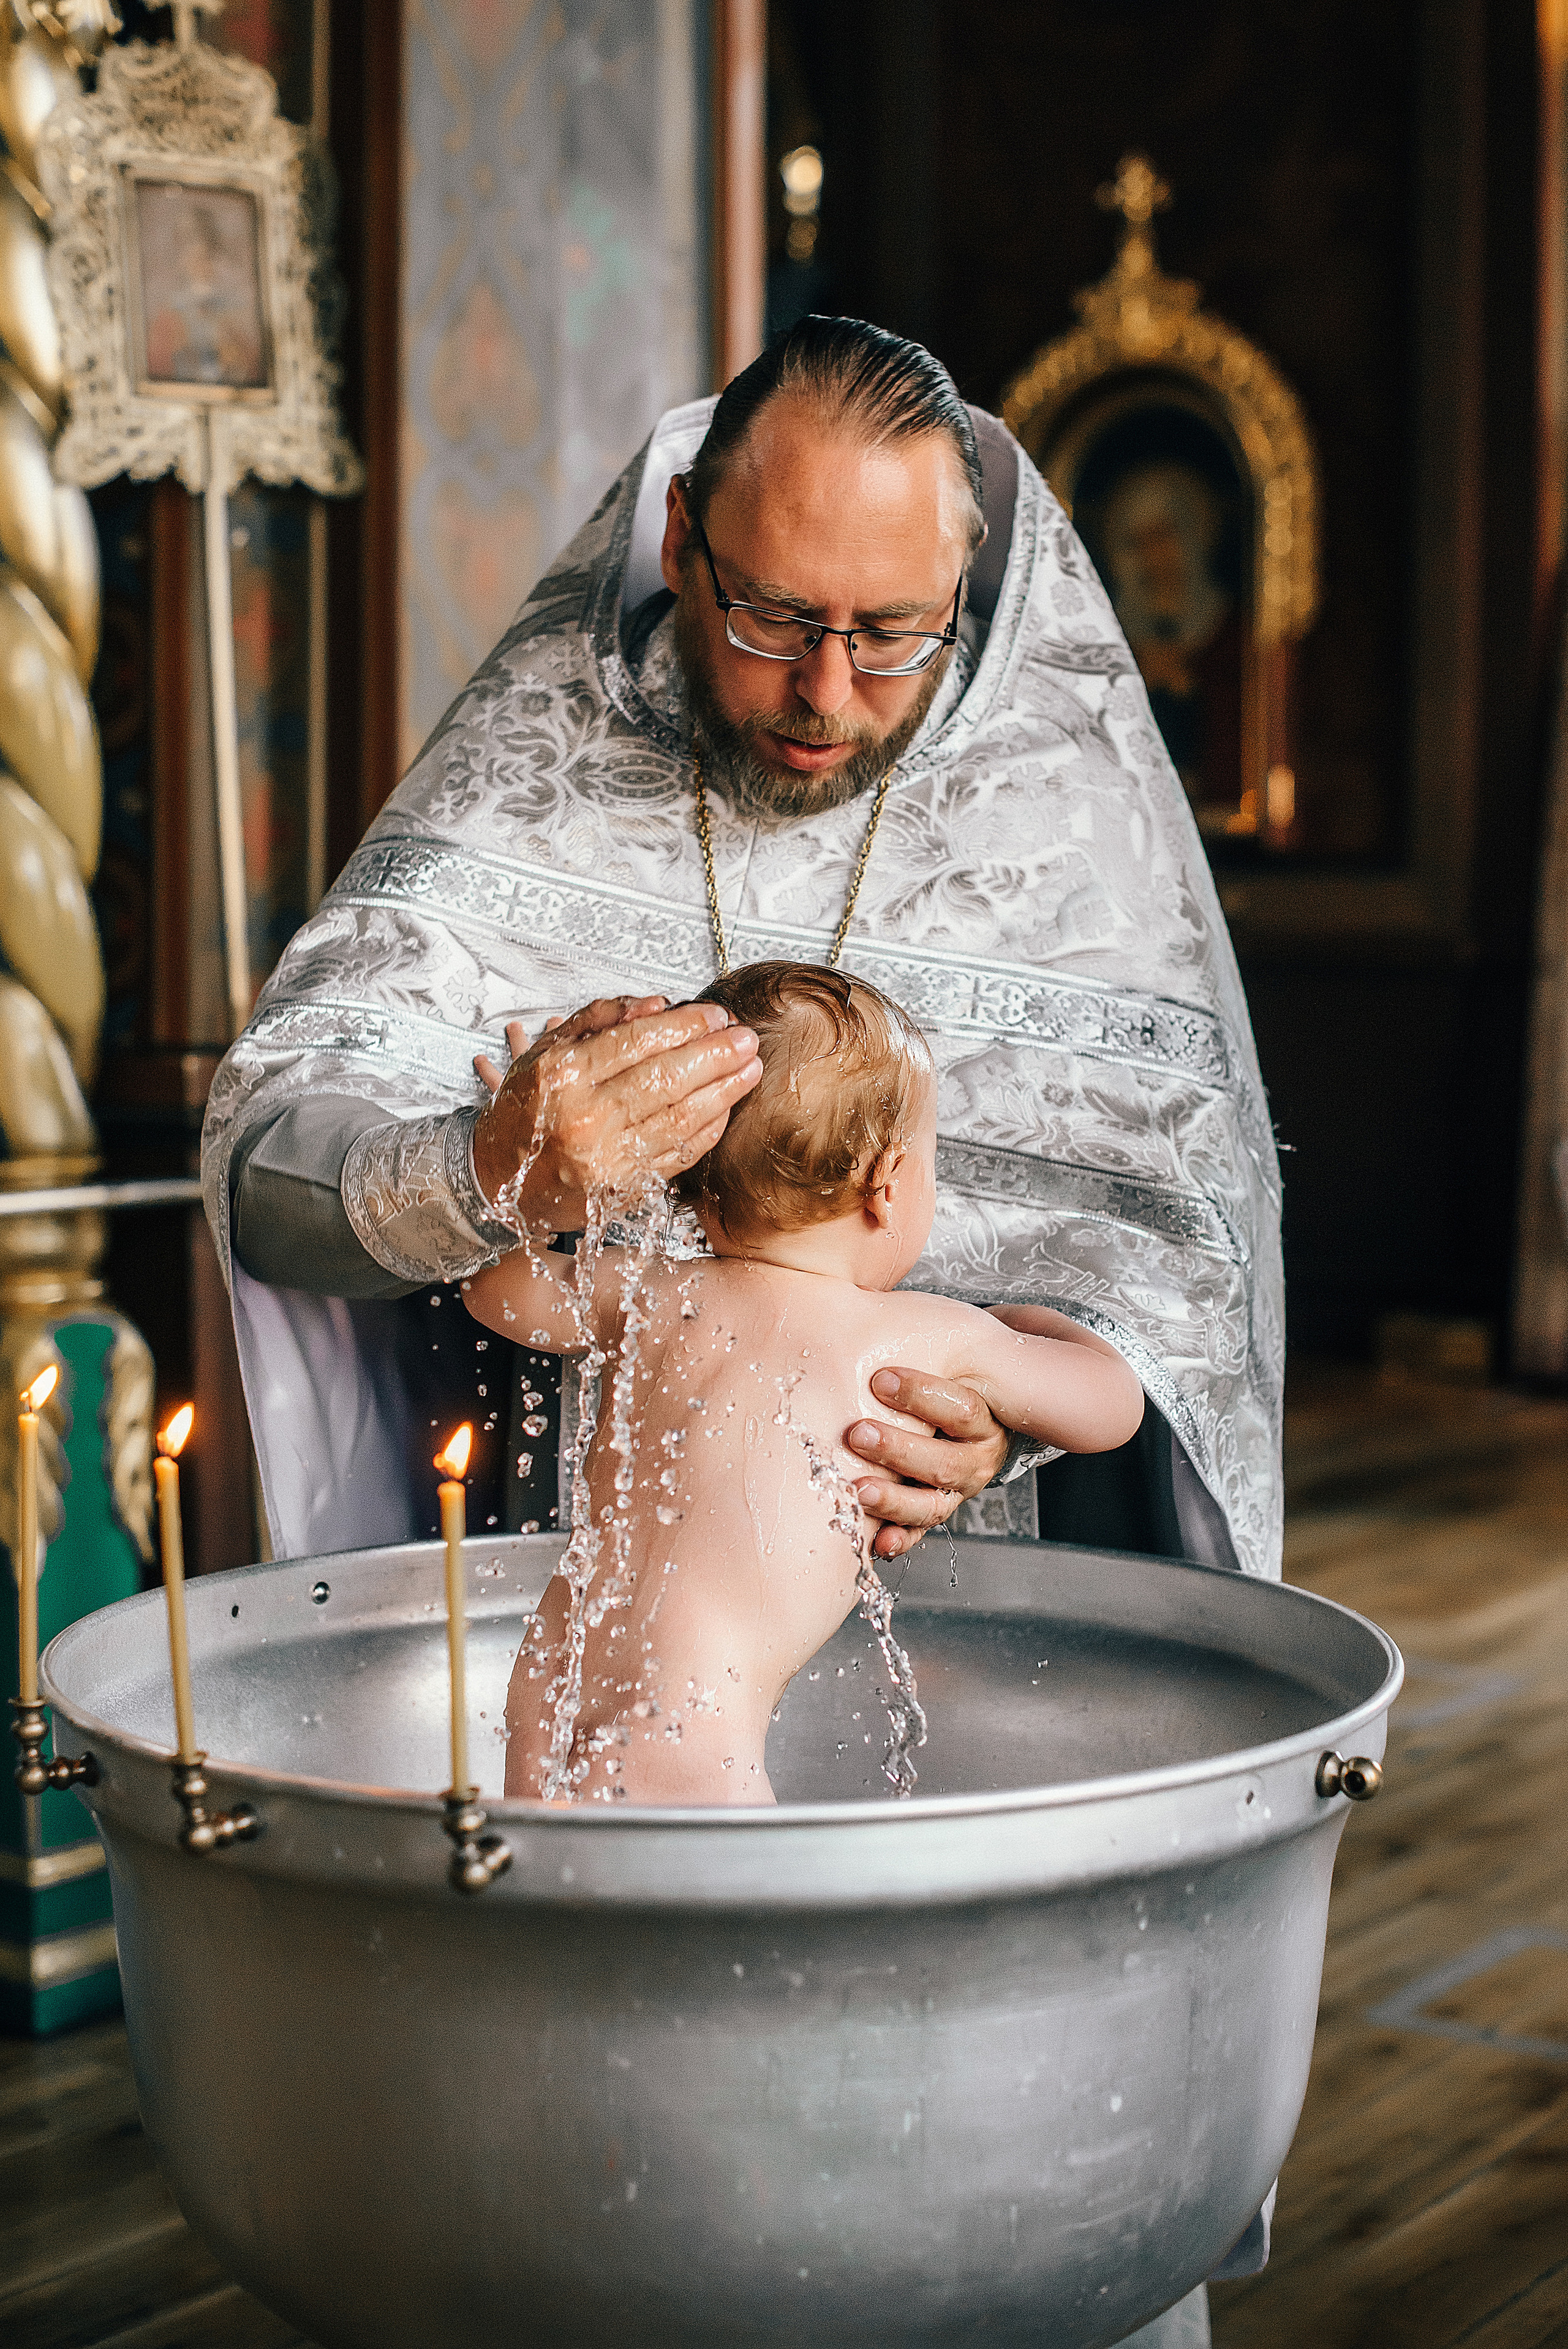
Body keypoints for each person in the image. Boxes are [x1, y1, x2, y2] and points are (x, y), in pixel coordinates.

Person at [202, 314, 1277, 2336]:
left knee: (983, 2215)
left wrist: (1012, 1412)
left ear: (978, 600)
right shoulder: (539, 769)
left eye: (895, 636)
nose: (825, 692)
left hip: (1012, 1685)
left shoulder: (1068, 809)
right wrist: (489, 1156)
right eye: (776, 616)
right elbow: (282, 1153)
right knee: (612, 2193)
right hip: (609, 1692)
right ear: (682, 542)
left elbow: (1175, 1258)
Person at [462, 964, 1144, 1806]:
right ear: (888, 1182)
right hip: (692, 1731)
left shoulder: (646, 1290)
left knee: (536, 1901)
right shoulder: (925, 1333)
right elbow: (1113, 1406)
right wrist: (1016, 1323)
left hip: (550, 1684)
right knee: (733, 1935)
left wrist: (527, 1161)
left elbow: (494, 1291)